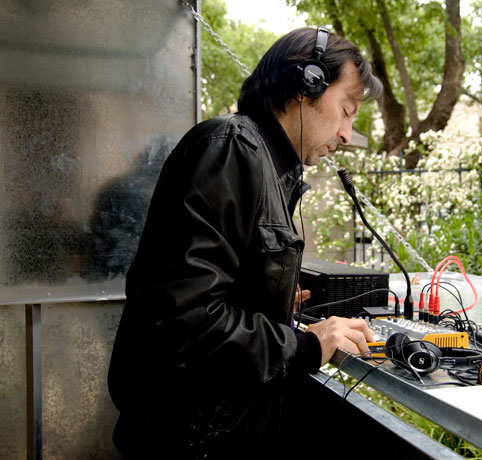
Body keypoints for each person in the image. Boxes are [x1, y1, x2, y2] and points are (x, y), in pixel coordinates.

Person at [107, 27, 383, 459]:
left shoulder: (267, 167)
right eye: (347, 110)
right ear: (304, 85)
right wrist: (305, 344)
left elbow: (210, 289)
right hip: (190, 439)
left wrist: (270, 301)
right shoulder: (231, 149)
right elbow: (185, 320)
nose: (347, 134)